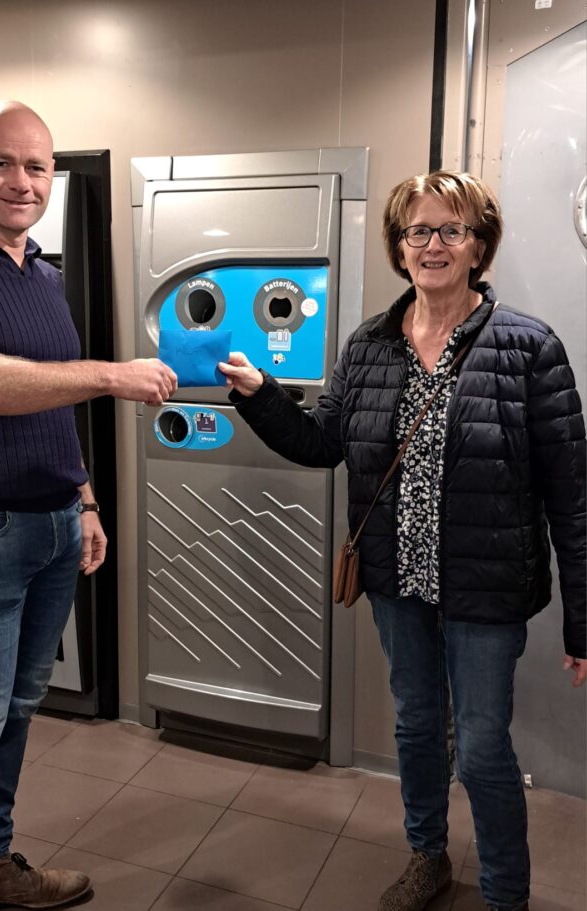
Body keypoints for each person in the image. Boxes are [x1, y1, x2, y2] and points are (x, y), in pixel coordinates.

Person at [219, 170, 586, 911]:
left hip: (486, 586)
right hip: (397, 580)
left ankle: (506, 893)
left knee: (480, 746)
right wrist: (260, 396)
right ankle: (428, 856)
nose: (433, 245)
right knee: (417, 728)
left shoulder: (528, 347)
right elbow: (322, 443)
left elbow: (571, 498)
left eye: (452, 229)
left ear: (478, 244)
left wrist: (582, 620)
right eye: (418, 230)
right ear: (399, 245)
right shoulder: (369, 345)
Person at [0, 100, 177, 911]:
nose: (22, 181)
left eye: (37, 166)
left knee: (18, 707)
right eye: (4, 163)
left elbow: (49, 400)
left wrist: (83, 497)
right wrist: (111, 374)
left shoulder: (42, 274)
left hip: (54, 524)